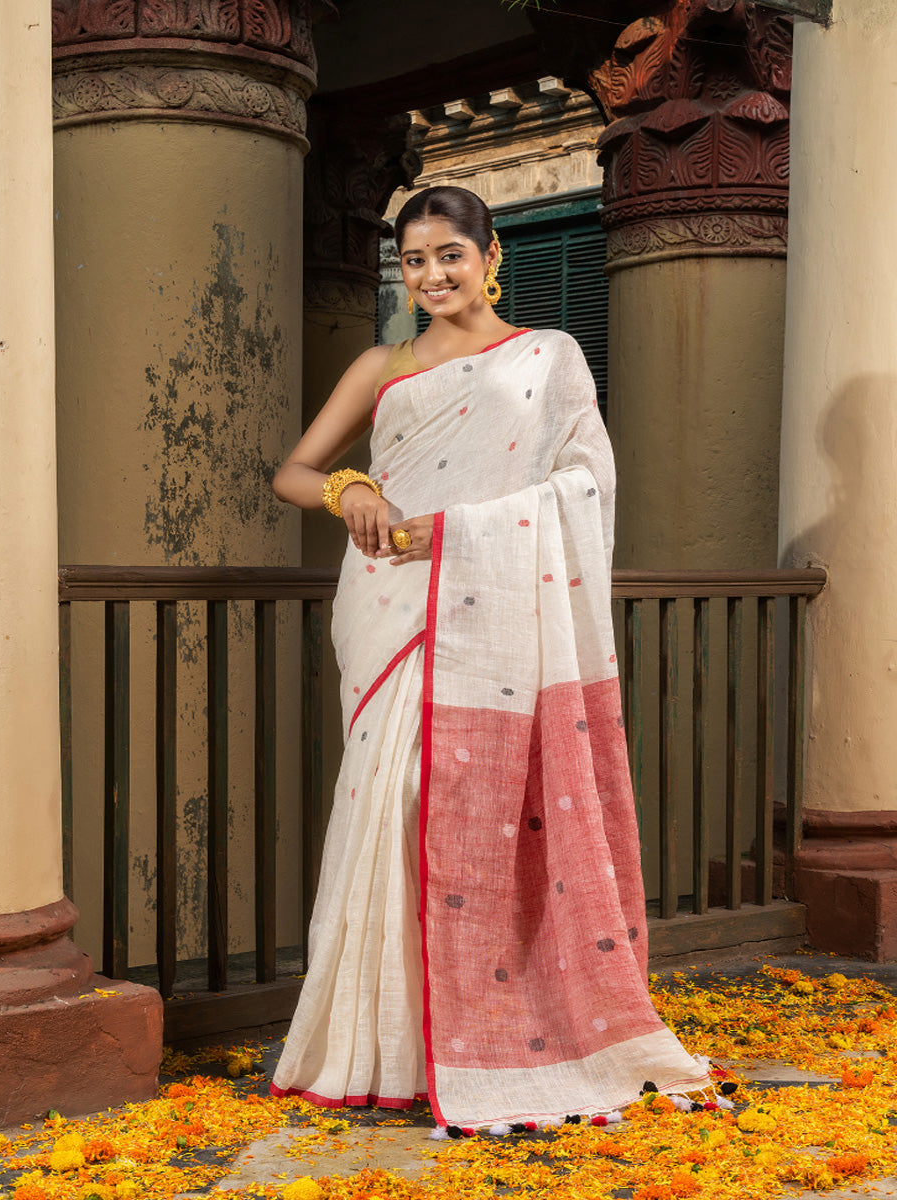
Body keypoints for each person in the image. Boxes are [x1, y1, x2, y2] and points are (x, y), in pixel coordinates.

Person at [269, 186, 709, 1133]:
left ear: (490, 253)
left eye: (449, 256)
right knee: (399, 803)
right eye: (414, 262)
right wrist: (347, 485)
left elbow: (584, 483)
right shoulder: (382, 365)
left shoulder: (549, 357)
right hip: (391, 608)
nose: (432, 277)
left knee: (478, 808)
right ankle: (381, 1043)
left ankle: (503, 1027)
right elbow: (292, 470)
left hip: (498, 605)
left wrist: (465, 532)